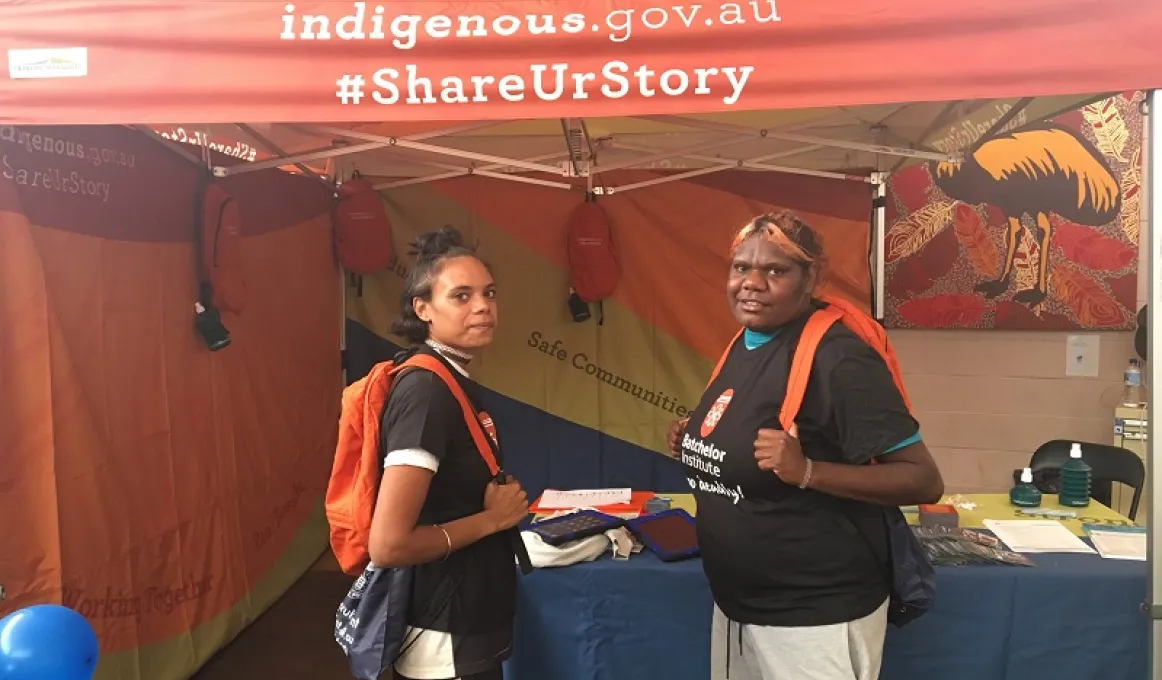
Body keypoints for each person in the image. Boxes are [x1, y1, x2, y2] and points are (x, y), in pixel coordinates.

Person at [667, 211, 944, 680]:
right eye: (741, 267)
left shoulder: (838, 357)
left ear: (811, 277)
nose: (751, 283)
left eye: (775, 270)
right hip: (740, 607)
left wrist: (808, 471)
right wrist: (696, 436)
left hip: (813, 616)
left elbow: (923, 479)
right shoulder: (747, 339)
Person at [368, 225, 529, 680]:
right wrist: (492, 520)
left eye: (489, 292)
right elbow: (388, 544)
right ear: (423, 309)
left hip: (465, 619)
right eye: (461, 296)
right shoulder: (427, 390)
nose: (482, 306)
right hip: (442, 638)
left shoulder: (449, 377)